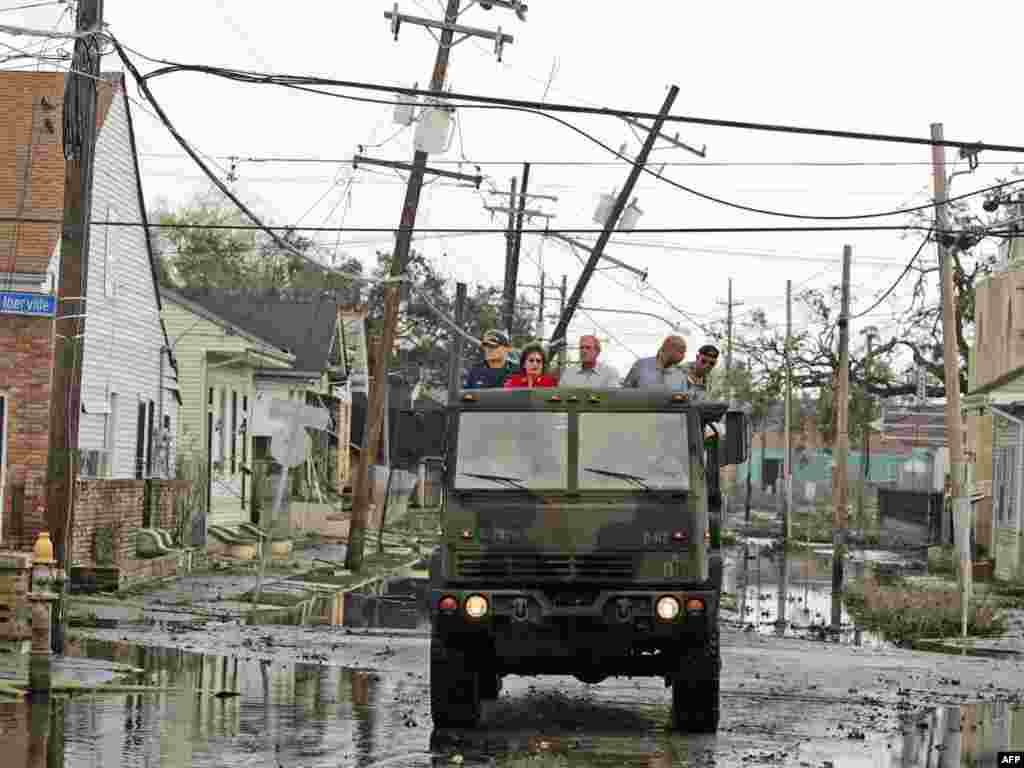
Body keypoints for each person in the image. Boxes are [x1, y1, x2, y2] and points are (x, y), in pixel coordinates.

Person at [621, 335, 689, 390]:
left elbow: (684, 401)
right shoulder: (641, 365)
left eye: (684, 353)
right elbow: (625, 392)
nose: (683, 356)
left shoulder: (681, 373)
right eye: (681, 352)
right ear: (668, 349)